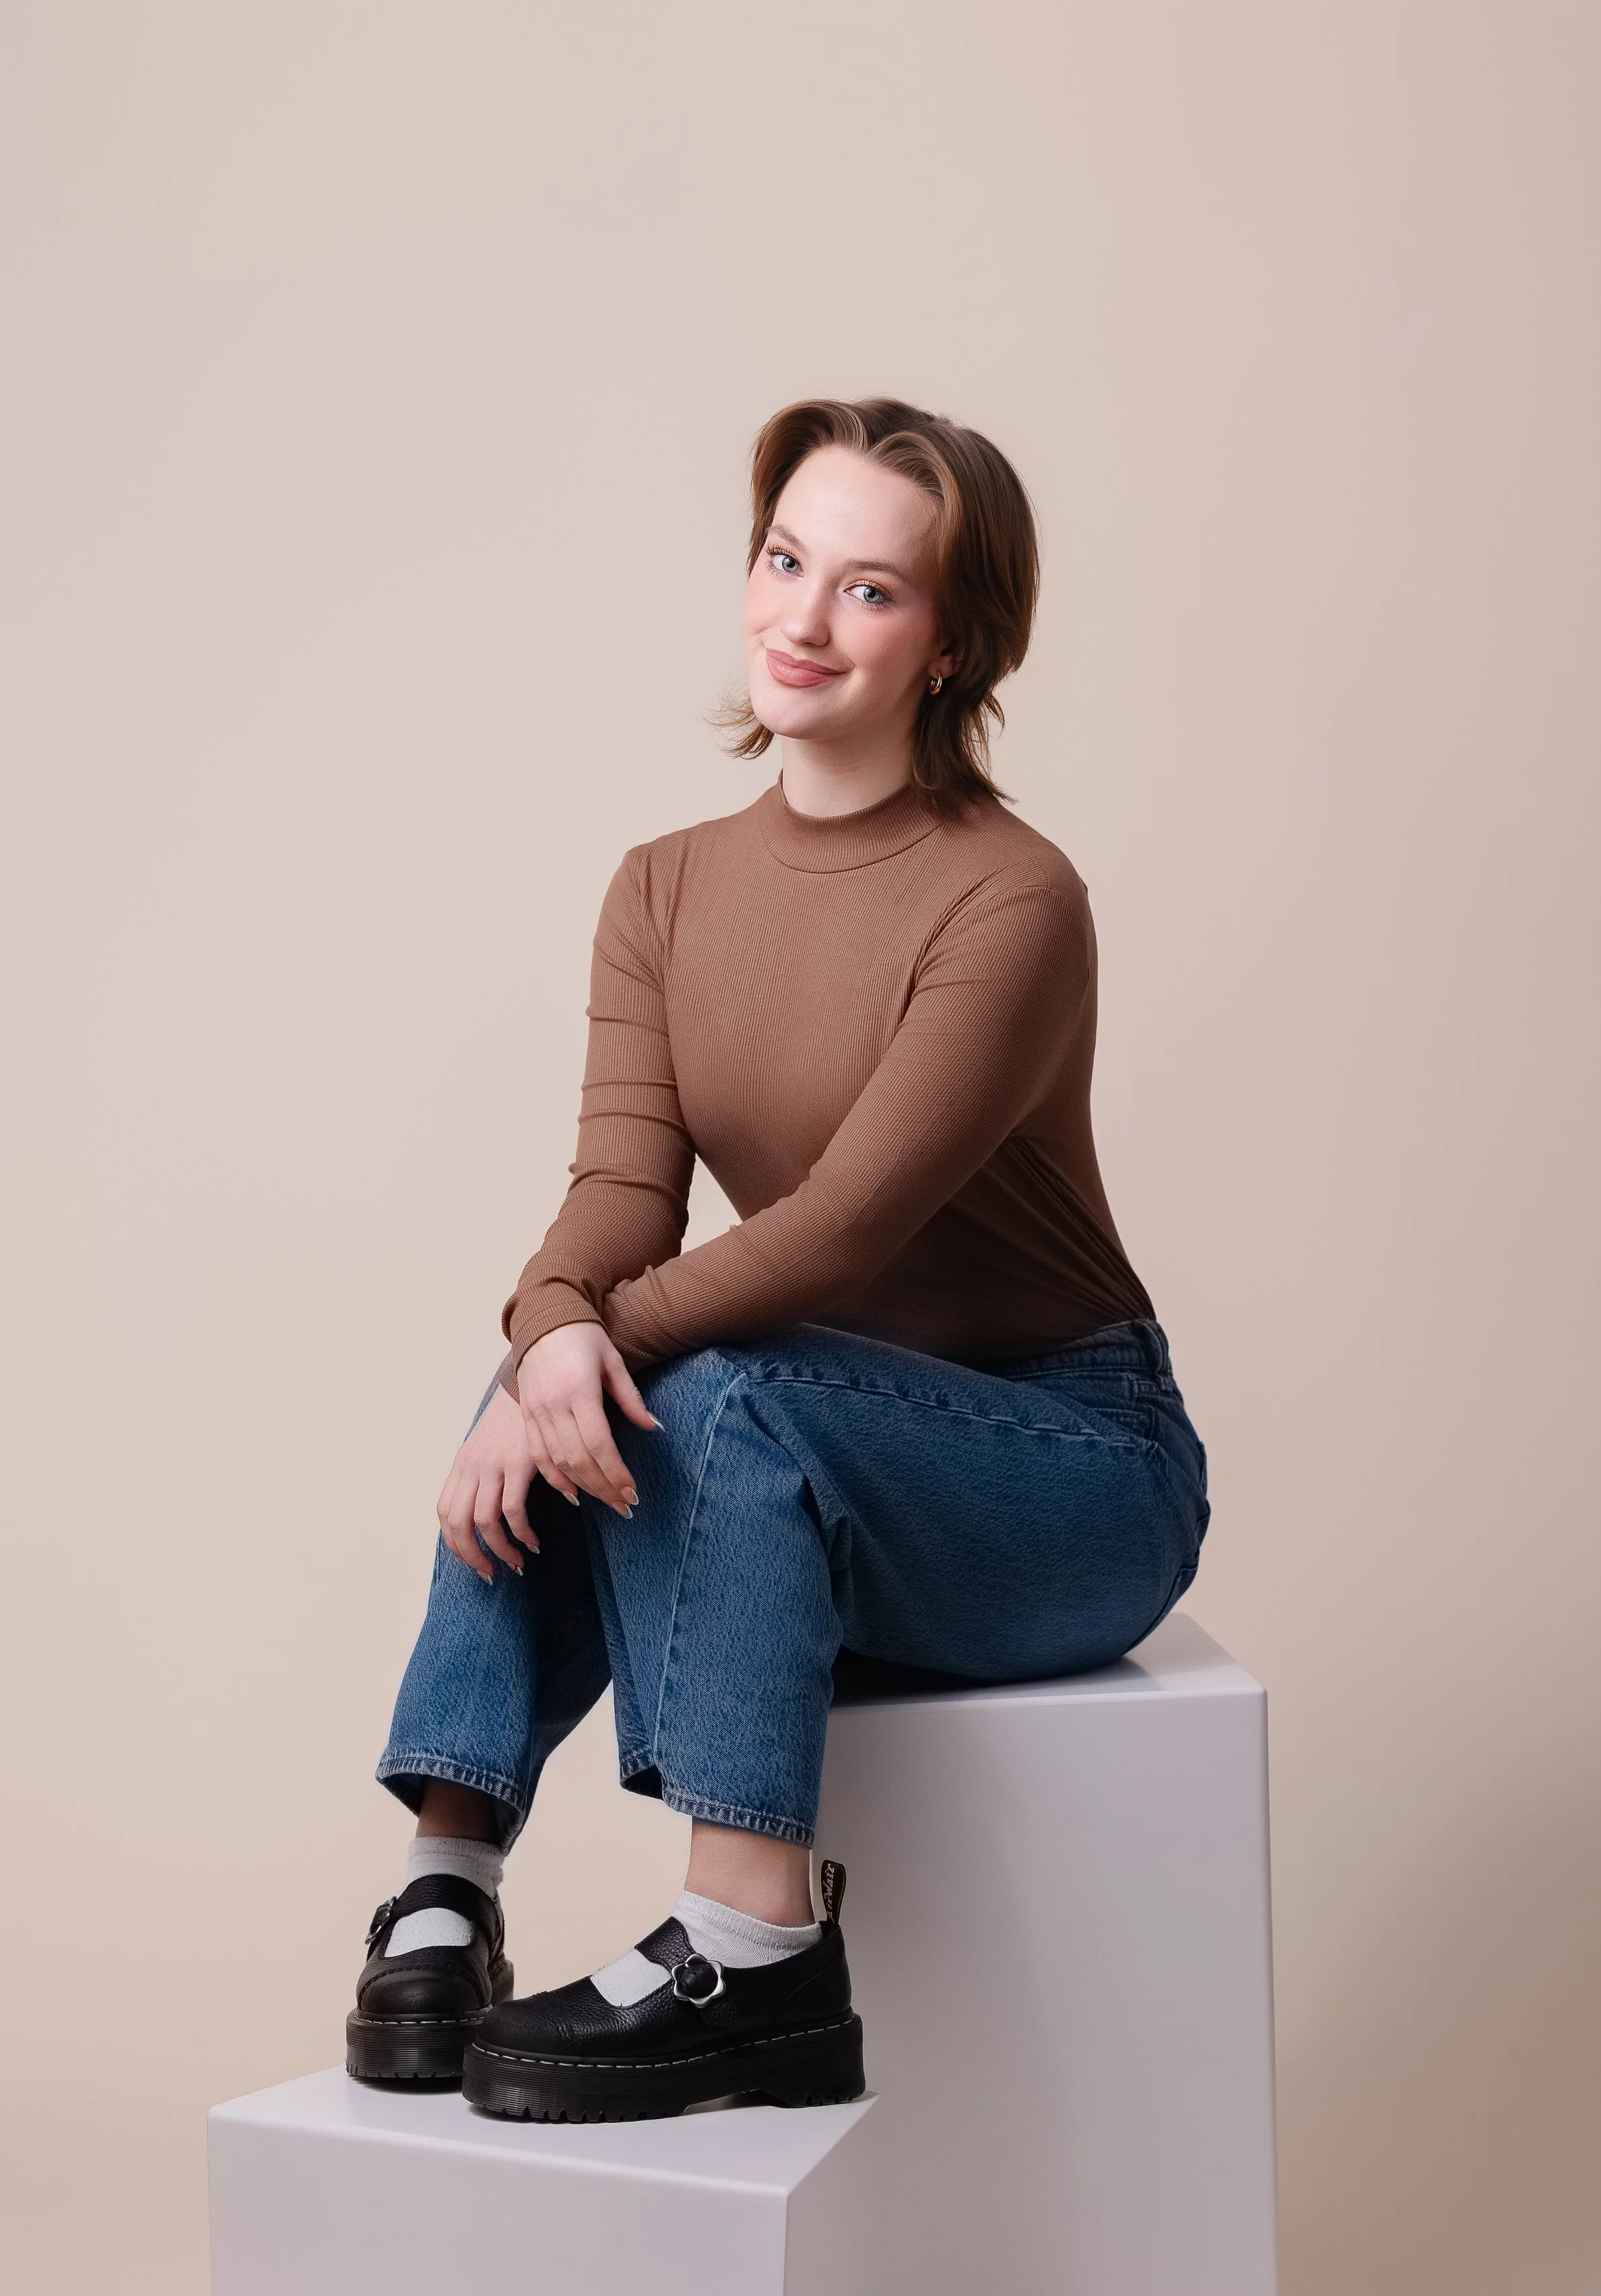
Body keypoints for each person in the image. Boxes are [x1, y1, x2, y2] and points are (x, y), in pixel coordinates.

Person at [346, 397, 1210, 2123]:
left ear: (953, 646)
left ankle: (752, 1958)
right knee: (582, 1365)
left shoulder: (1008, 896)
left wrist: (579, 1351)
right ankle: (450, 1887)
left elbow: (844, 1229)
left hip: (1063, 1469)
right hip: (816, 1456)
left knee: (686, 1383)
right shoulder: (664, 889)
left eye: (868, 591)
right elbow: (614, 1196)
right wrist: (542, 1336)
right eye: (782, 560)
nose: (801, 622)